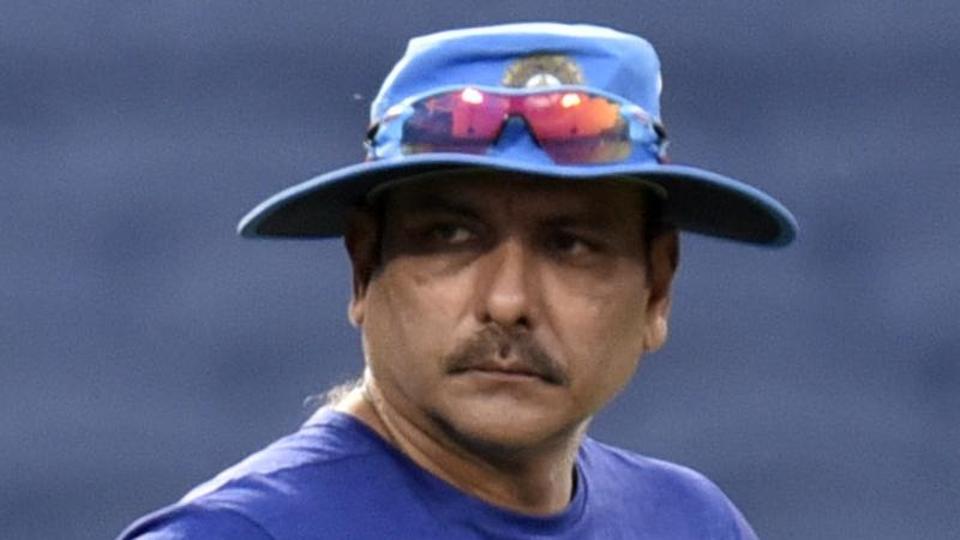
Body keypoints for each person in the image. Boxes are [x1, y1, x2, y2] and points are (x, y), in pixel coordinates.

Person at [119, 22, 796, 539]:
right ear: (363, 269)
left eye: (570, 245)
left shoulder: (690, 522)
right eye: (450, 236)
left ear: (657, 290)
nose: (507, 301)